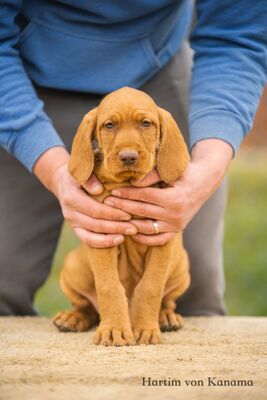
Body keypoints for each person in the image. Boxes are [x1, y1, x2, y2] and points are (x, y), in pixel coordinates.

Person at [0, 1, 266, 316]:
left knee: (193, 289)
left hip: (157, 69)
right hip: (22, 73)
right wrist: (53, 169)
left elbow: (237, 33)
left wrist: (208, 166)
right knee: (5, 274)